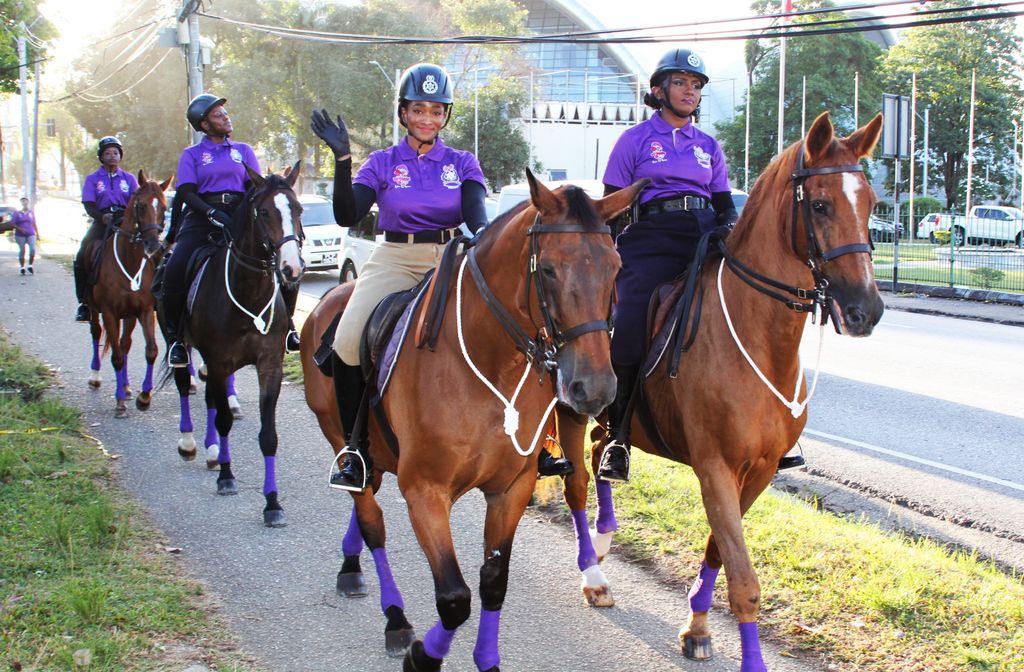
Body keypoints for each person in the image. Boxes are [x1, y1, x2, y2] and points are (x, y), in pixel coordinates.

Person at [310, 62, 573, 493]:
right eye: (418, 110)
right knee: (346, 338)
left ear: (445, 116)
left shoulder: (462, 162)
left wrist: (479, 236)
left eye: (436, 111)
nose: (427, 119)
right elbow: (346, 214)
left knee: (529, 331)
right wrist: (342, 160)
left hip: (451, 256)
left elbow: (475, 215)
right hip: (394, 256)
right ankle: (355, 450)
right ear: (403, 113)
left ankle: (543, 443)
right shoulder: (382, 162)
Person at [162, 93, 301, 368]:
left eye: (225, 113)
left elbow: (255, 187)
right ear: (204, 124)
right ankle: (177, 339)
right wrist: (212, 212)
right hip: (202, 218)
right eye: (218, 115)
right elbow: (187, 193)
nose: (226, 118)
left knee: (282, 263)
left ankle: (288, 327)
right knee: (174, 268)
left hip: (240, 216)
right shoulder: (192, 155)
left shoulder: (243, 150)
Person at [75, 136, 139, 321]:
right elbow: (88, 204)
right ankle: (84, 303)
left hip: (124, 221)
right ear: (101, 157)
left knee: (149, 252)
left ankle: (153, 295)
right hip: (101, 221)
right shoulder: (93, 179)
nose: (112, 156)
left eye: (116, 153)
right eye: (108, 153)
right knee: (81, 256)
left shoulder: (129, 178)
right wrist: (101, 217)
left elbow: (135, 203)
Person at [12, 197, 38, 275]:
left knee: (32, 249)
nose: (24, 203)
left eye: (26, 202)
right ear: (21, 203)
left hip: (31, 233)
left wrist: (37, 234)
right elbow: (13, 223)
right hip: (20, 235)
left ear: (28, 202)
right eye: (23, 202)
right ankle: (22, 267)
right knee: (22, 250)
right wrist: (20, 229)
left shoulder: (31, 212)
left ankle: (30, 265)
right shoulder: (17, 213)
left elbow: (34, 223)